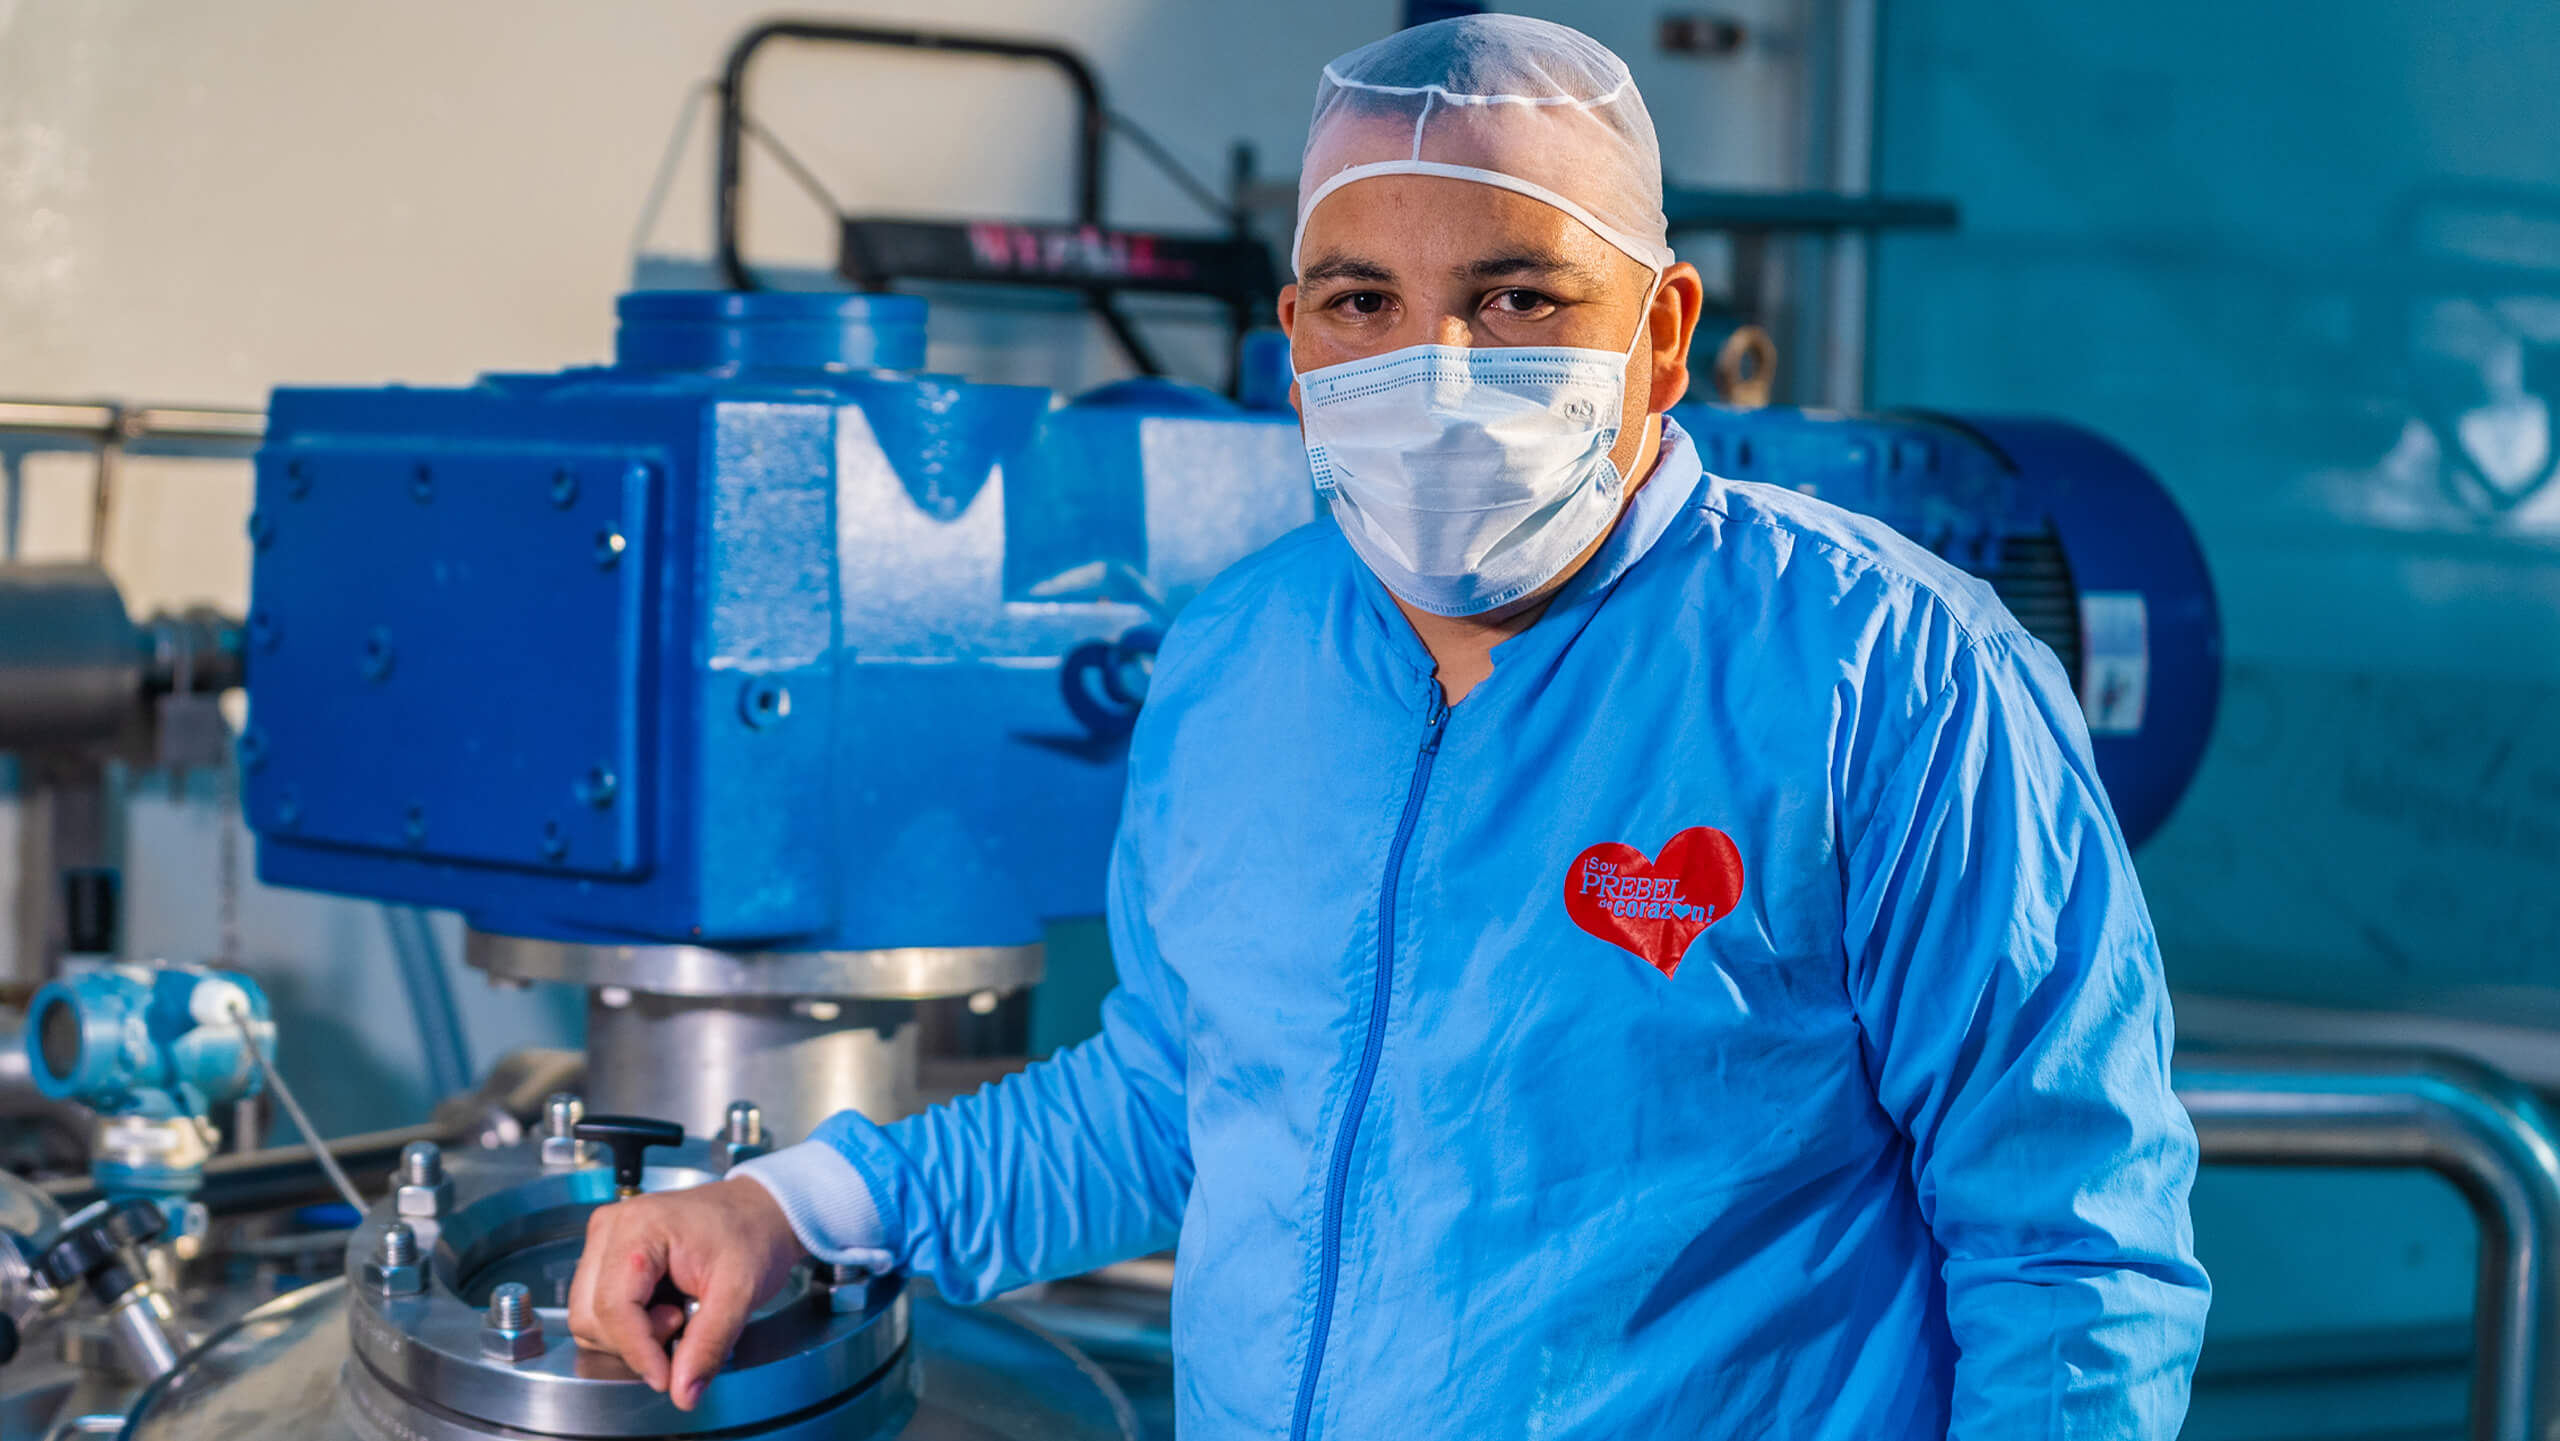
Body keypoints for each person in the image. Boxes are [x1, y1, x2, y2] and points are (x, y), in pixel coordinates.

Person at [567, 15, 2210, 1437]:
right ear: (1294, 344)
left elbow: (2074, 1253)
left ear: (1661, 336)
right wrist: (793, 1205)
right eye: (1364, 299)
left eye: (1518, 298)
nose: (1436, 365)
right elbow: (1173, 1098)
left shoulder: (1894, 679)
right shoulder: (1239, 663)